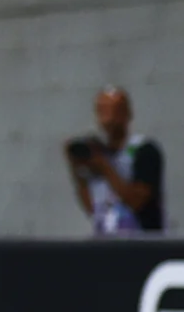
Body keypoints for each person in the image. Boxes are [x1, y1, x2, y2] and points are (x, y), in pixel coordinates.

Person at [65, 86, 165, 233]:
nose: (109, 118)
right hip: (105, 241)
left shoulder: (143, 150)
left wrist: (105, 167)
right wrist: (77, 170)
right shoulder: (99, 152)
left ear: (127, 113)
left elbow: (136, 201)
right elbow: (92, 207)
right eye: (102, 111)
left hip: (140, 241)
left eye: (115, 111)